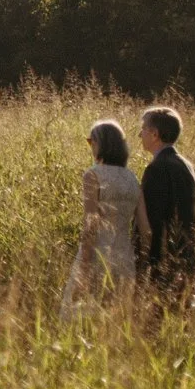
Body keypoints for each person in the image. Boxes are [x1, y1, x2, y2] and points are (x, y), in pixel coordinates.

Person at [64, 119, 146, 311]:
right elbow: (146, 229)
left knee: (80, 319)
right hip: (125, 258)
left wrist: (83, 268)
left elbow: (91, 224)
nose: (90, 146)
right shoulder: (132, 178)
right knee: (117, 320)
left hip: (98, 256)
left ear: (101, 144)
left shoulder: (93, 175)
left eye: (91, 141)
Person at [137, 106, 195, 299]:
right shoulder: (187, 165)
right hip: (191, 261)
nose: (140, 134)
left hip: (166, 266)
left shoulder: (157, 168)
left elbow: (151, 222)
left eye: (143, 129)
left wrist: (145, 263)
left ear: (155, 134)